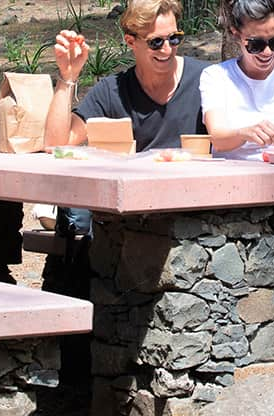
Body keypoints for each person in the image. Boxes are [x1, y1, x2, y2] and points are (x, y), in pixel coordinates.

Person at [42, 0, 211, 240]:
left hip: (198, 215)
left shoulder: (207, 80)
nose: (167, 49)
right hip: (132, 221)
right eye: (156, 42)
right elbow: (56, 143)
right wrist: (68, 76)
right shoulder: (113, 91)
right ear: (130, 41)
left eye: (174, 38)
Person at [200, 0, 274, 249]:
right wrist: (245, 133)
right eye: (256, 44)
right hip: (232, 190)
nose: (267, 52)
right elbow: (218, 137)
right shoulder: (217, 77)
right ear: (236, 35)